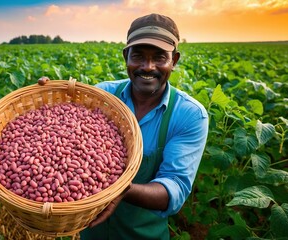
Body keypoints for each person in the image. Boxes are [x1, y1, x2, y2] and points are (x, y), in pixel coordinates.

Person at [39, 13, 208, 240]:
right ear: (126, 56)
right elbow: (66, 133)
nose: (147, 67)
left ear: (174, 60)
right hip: (90, 233)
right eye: (138, 56)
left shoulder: (189, 115)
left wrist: (121, 189)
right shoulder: (104, 95)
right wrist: (47, 101)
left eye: (159, 58)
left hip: (143, 235)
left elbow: (175, 188)